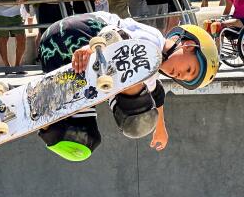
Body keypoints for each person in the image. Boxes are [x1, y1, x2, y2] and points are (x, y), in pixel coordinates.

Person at [38, 11, 219, 161]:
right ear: (188, 45)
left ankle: (45, 114)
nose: (181, 76)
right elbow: (114, 32)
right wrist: (93, 48)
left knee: (82, 140)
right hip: (77, 35)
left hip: (52, 53)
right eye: (189, 69)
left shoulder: (150, 73)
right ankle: (103, 55)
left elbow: (157, 94)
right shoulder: (153, 40)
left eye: (186, 79)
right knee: (139, 110)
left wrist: (160, 128)